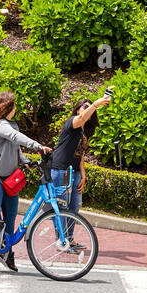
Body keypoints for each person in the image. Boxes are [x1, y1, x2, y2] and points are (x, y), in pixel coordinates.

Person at [0, 91, 51, 274]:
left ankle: (5, 251)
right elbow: (15, 137)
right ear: (7, 107)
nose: (16, 108)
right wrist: (38, 146)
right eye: (14, 105)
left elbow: (14, 146)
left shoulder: (9, 125)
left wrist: (25, 161)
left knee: (10, 217)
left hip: (8, 178)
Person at [51, 94, 109, 249]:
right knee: (62, 206)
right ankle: (61, 241)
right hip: (62, 169)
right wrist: (95, 104)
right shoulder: (71, 122)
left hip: (75, 171)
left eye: (89, 107)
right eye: (84, 106)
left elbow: (81, 153)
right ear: (77, 109)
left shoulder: (85, 131)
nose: (87, 109)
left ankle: (69, 238)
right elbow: (82, 118)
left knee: (74, 206)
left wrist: (83, 175)